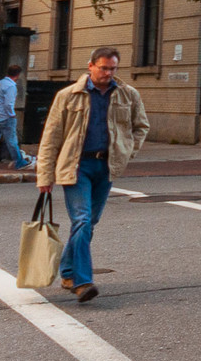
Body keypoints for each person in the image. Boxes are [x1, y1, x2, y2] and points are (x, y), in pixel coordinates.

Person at [36, 46, 149, 303]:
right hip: (76, 166)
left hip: (106, 166)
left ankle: (67, 271)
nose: (108, 73)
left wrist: (126, 151)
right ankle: (83, 281)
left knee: (89, 222)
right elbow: (50, 137)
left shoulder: (127, 95)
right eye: (103, 68)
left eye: (113, 68)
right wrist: (44, 177)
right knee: (83, 220)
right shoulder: (68, 95)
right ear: (90, 66)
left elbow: (141, 126)